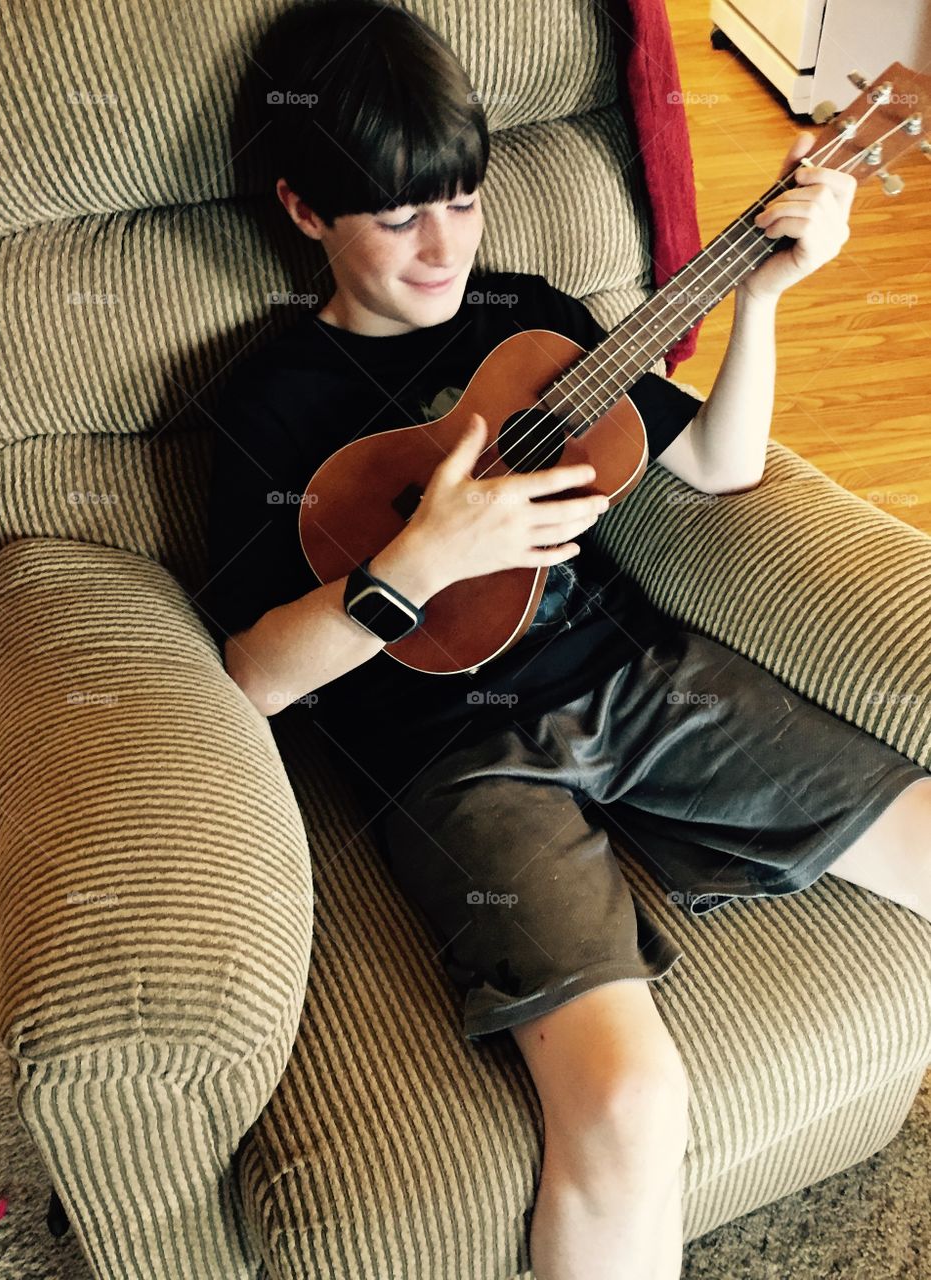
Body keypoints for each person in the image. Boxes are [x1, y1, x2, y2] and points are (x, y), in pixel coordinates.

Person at [199, 3, 931, 1277]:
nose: (444, 246)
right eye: (397, 216)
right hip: (452, 761)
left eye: (462, 200)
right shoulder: (267, 403)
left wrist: (763, 296)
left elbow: (716, 466)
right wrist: (419, 562)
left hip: (637, 674)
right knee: (630, 1102)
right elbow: (249, 675)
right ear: (305, 211)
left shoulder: (524, 320)